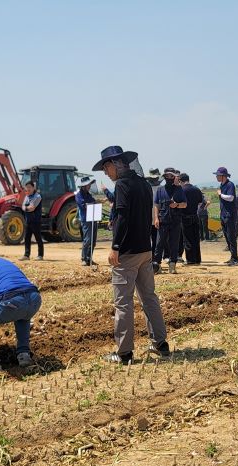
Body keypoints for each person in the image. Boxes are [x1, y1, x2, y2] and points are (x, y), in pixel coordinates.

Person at [94, 145, 169, 364]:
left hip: (126, 252)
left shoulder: (123, 185)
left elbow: (124, 218)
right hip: (145, 249)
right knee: (149, 298)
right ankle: (160, 343)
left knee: (123, 303)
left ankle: (124, 353)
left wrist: (115, 246)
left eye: (106, 168)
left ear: (115, 165)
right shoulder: (144, 184)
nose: (106, 173)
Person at [153, 169, 187, 273]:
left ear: (174, 177)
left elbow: (185, 204)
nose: (168, 178)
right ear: (164, 177)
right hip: (162, 220)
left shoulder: (179, 189)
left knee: (174, 243)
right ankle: (157, 266)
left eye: (171, 176)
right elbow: (156, 205)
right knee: (159, 244)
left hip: (175, 221)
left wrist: (177, 204)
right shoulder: (160, 189)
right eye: (167, 176)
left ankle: (172, 265)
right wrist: (156, 218)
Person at [215, 167, 238, 266]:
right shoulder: (222, 185)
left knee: (231, 237)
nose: (216, 177)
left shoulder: (230, 185)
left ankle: (236, 259)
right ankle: (232, 257)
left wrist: (221, 194)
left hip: (230, 215)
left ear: (223, 176)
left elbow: (231, 198)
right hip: (224, 214)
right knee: (227, 237)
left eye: (218, 175)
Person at [180, 173, 203, 265]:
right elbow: (200, 202)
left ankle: (190, 260)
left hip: (185, 216)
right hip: (195, 215)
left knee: (187, 239)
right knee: (196, 238)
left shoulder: (181, 190)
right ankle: (197, 259)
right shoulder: (196, 189)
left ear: (181, 181)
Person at [76, 176, 99, 266]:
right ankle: (84, 258)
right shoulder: (79, 195)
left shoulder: (89, 195)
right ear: (84, 186)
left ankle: (89, 258)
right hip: (86, 219)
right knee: (87, 239)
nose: (89, 186)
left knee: (93, 240)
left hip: (93, 218)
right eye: (88, 184)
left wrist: (97, 203)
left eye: (89, 184)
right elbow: (83, 205)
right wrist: (93, 203)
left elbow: (93, 202)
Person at [21, 180, 44, 260]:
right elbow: (23, 206)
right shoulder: (27, 197)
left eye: (29, 187)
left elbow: (32, 208)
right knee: (27, 238)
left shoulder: (37, 197)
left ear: (33, 187)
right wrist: (26, 208)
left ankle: (40, 255)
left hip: (35, 221)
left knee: (38, 238)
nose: (28, 189)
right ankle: (26, 255)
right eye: (27, 187)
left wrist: (26, 208)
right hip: (28, 220)